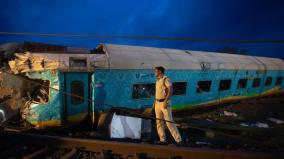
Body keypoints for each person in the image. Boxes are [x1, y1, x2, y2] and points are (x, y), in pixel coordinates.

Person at [153, 66, 182, 145]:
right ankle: (162, 139)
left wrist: (165, 101)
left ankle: (178, 140)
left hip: (164, 103)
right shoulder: (157, 80)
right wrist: (154, 103)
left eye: (156, 71)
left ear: (160, 72)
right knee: (159, 122)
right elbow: (158, 92)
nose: (154, 72)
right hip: (157, 103)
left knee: (169, 122)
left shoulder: (166, 79)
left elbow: (170, 90)